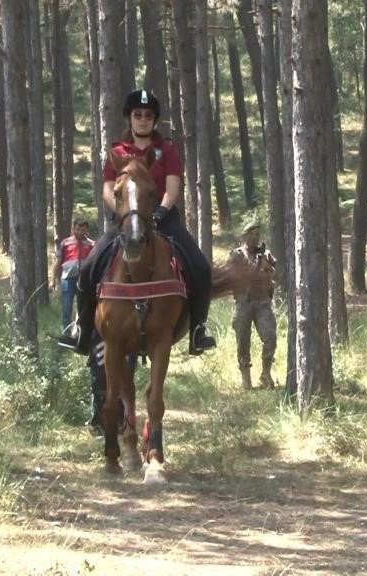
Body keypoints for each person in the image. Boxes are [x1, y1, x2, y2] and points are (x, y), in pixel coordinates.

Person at [58, 88, 216, 356]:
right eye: (137, 114)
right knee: (88, 268)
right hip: (126, 218)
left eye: (148, 115)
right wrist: (120, 212)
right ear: (129, 118)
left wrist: (161, 211)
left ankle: (198, 329)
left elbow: (173, 186)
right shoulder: (117, 151)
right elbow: (108, 188)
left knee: (200, 266)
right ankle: (81, 327)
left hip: (161, 218)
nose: (142, 119)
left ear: (154, 120)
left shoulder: (166, 150)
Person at [228, 221, 277, 389]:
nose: (256, 238)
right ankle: (245, 377)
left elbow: (275, 274)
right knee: (242, 340)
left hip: (262, 301)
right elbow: (234, 276)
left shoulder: (265, 255)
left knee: (270, 336)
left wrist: (268, 266)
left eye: (258, 234)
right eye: (252, 234)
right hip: (243, 302)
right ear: (245, 236)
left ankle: (266, 374)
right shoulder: (237, 255)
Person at [51, 218, 95, 331]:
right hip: (67, 279)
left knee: (84, 307)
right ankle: (66, 332)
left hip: (85, 280)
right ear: (73, 229)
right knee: (66, 306)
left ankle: (81, 332)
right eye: (78, 229)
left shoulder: (91, 244)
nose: (80, 232)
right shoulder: (65, 243)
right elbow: (58, 262)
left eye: (83, 229)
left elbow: (94, 263)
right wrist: (53, 279)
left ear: (87, 230)